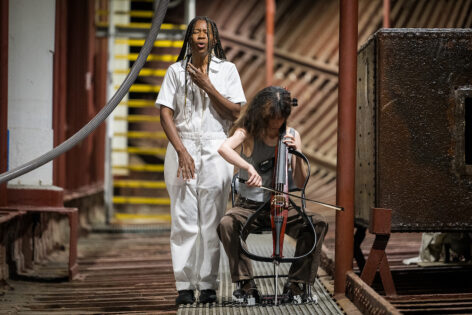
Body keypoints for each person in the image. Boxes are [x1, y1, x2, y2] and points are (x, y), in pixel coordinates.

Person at [156, 16, 246, 305]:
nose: (200, 36)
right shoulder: (174, 71)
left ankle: (207, 285)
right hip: (182, 146)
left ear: (215, 38)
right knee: (183, 219)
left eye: (206, 32)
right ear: (189, 38)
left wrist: (207, 85)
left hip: (215, 147)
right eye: (195, 32)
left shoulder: (228, 70)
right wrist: (181, 150)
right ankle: (184, 285)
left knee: (211, 220)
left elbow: (235, 113)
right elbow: (165, 112)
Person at [217, 86, 328, 303]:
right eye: (271, 120)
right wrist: (248, 168)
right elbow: (224, 149)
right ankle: (246, 285)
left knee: (317, 223)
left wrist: (297, 153)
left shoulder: (292, 135)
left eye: (280, 120)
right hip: (250, 207)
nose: (275, 126)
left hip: (283, 206)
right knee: (227, 224)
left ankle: (297, 284)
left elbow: (299, 181)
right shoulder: (247, 132)